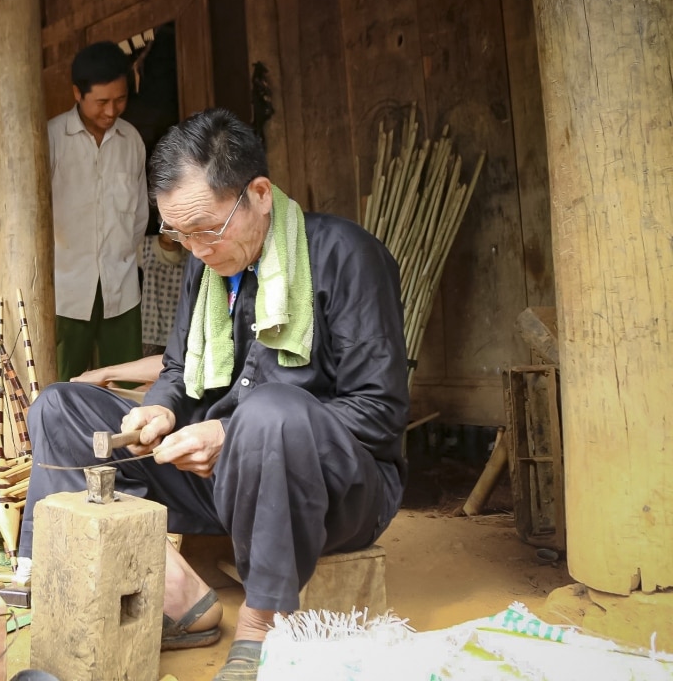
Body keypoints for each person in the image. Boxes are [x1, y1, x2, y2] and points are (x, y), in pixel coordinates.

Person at [21, 110, 409, 681]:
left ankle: (261, 625)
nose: (197, 248)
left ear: (258, 193)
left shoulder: (345, 255)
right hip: (222, 479)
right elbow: (179, 368)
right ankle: (178, 598)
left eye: (207, 228)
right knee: (60, 406)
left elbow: (378, 414)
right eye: (180, 234)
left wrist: (232, 432)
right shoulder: (207, 268)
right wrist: (159, 406)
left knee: (271, 412)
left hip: (333, 491)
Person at [48, 41, 148, 381]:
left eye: (120, 99)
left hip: (120, 288)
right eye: (101, 102)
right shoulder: (52, 138)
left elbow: (137, 217)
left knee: (128, 387)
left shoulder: (131, 140)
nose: (111, 110)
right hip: (65, 289)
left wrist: (118, 257)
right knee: (59, 383)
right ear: (78, 93)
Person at [139, 232, 187, 355]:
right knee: (146, 371)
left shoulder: (190, 249)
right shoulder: (145, 245)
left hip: (179, 328)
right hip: (150, 327)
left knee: (175, 370)